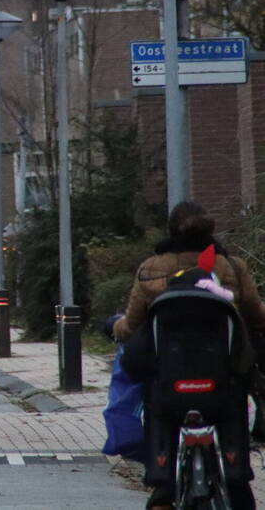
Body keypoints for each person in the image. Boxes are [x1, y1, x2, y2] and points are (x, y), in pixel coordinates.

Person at [112, 201, 265, 510]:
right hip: (223, 385)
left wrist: (113, 327)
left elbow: (133, 327)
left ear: (170, 230)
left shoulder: (151, 268)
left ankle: (163, 485)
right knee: (233, 417)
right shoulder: (232, 267)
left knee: (157, 405)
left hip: (169, 386)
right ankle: (234, 475)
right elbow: (256, 318)